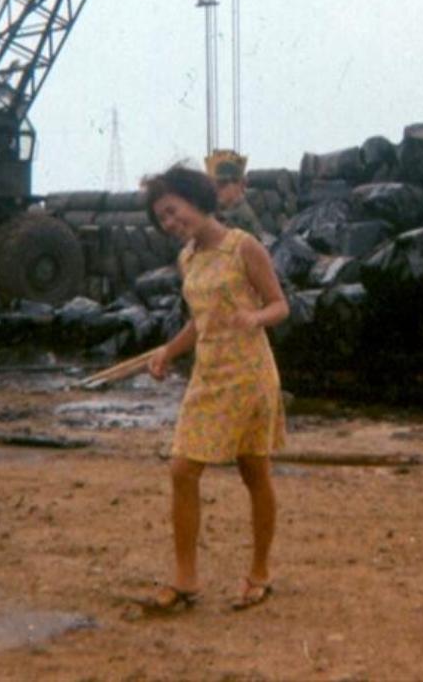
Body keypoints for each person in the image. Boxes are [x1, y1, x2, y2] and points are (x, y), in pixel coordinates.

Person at [138, 165, 289, 613]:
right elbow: (199, 319)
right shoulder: (187, 258)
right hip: (208, 374)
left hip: (249, 375)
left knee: (254, 473)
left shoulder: (244, 247)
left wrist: (254, 318)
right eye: (160, 218)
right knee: (183, 469)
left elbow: (280, 305)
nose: (169, 222)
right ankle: (185, 579)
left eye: (172, 210)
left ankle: (260, 572)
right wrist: (169, 351)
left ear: (194, 198)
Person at [206, 150, 266, 239]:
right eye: (215, 185)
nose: (217, 190)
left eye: (222, 184)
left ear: (240, 185)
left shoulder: (242, 218)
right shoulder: (219, 213)